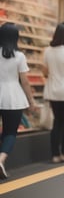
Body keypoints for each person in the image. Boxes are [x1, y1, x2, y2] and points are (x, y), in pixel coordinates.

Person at [0, 22, 36, 179]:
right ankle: (1, 159)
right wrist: (32, 101)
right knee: (10, 132)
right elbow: (25, 82)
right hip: (13, 96)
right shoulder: (19, 56)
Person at [43, 23, 64, 163]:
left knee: (56, 123)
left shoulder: (47, 51)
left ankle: (55, 155)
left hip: (53, 91)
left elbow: (45, 72)